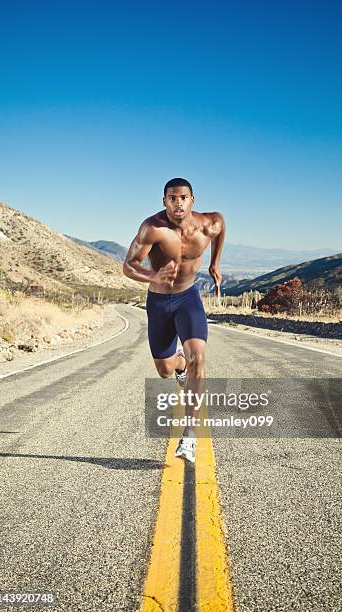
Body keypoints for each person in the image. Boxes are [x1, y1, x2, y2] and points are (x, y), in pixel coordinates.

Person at [123, 177, 225, 462]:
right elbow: (128, 266)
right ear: (164, 201)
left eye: (183, 197)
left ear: (192, 200)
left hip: (187, 298)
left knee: (198, 357)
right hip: (158, 302)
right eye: (172, 198)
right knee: (165, 370)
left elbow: (221, 229)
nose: (178, 202)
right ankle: (178, 364)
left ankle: (190, 436)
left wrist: (215, 263)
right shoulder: (153, 228)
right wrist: (151, 275)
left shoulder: (209, 224)